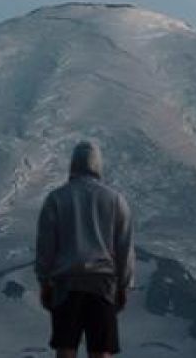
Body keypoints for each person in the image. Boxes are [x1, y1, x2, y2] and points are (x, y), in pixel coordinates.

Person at [34, 140, 135, 358]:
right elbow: (124, 247)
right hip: (103, 285)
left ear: (73, 165)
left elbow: (46, 245)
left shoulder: (56, 199)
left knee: (66, 348)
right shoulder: (116, 200)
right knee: (101, 350)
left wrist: (44, 281)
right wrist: (124, 285)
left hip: (65, 285)